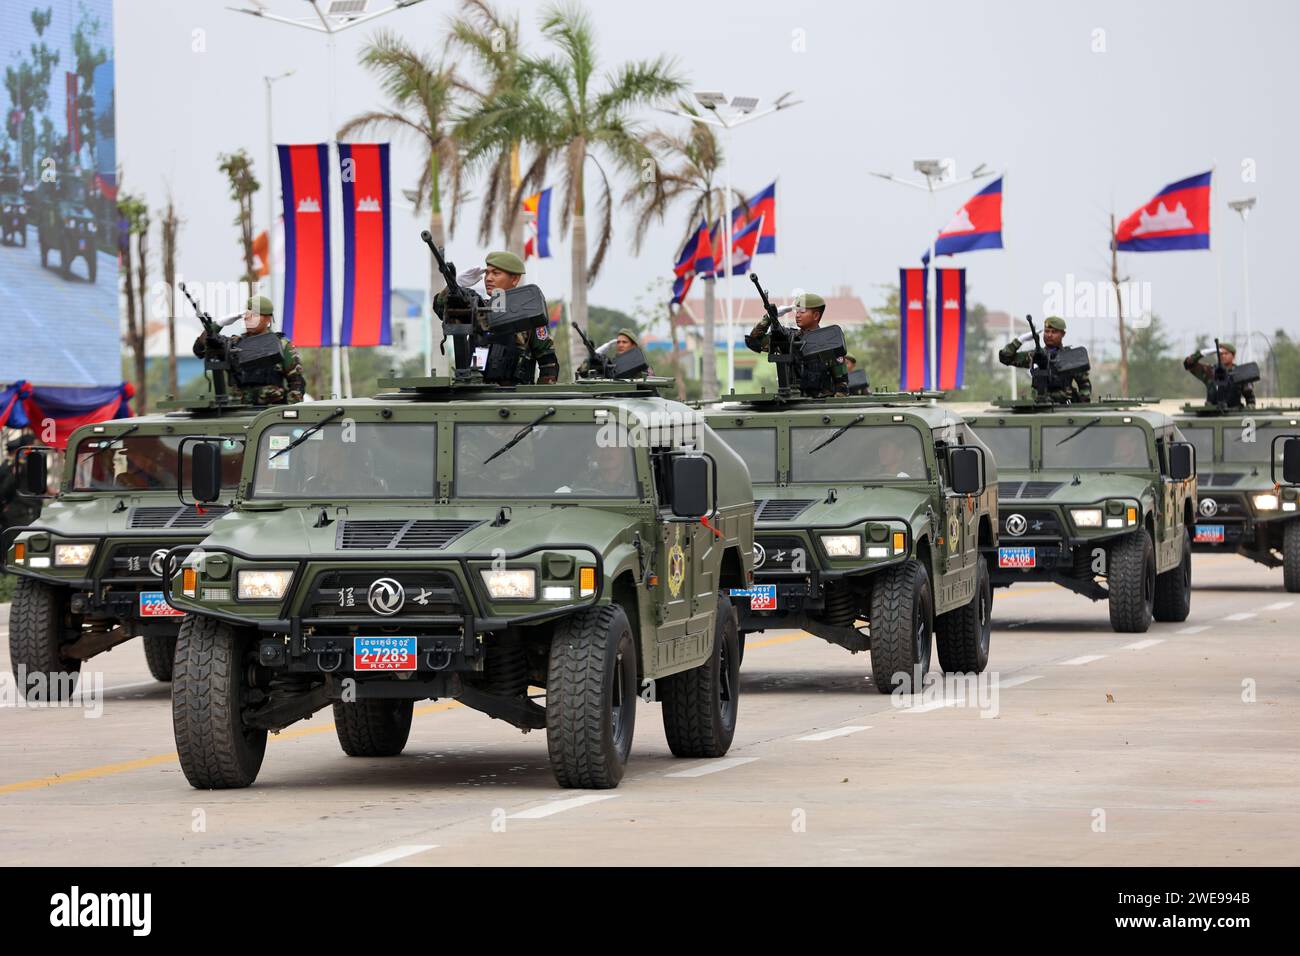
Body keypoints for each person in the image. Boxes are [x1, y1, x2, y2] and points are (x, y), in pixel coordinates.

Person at [435, 251, 559, 385]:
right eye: (487, 273)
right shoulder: (479, 309)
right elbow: (441, 308)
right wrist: (454, 286)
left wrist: (538, 400)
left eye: (496, 273)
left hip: (516, 397)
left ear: (514, 279)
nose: (488, 278)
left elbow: (548, 364)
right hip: (476, 393)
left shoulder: (530, 315)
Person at [193, 295, 305, 405]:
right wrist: (218, 324)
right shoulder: (234, 344)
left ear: (268, 318)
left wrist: (288, 414)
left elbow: (297, 383)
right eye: (246, 314)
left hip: (269, 413)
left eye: (254, 315)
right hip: (237, 413)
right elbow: (199, 349)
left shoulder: (282, 344)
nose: (247, 318)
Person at [745, 291, 848, 397]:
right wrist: (768, 318)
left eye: (802, 312)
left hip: (820, 405)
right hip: (790, 402)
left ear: (816, 315)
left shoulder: (829, 343)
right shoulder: (788, 339)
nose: (797, 315)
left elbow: (842, 384)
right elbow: (753, 341)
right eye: (796, 311)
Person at [999, 316, 1091, 404]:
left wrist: (1079, 407)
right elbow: (1005, 358)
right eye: (1047, 331)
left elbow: (1084, 386)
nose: (1049, 335)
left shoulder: (1071, 357)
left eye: (1054, 332)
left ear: (1063, 334)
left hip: (1064, 408)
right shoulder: (1035, 356)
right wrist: (1020, 340)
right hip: (1040, 406)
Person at [1184, 341, 1255, 408]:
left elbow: (1250, 398)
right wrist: (1206, 352)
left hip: (1233, 412)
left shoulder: (1241, 373)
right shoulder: (1210, 371)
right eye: (1220, 354)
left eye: (1226, 353)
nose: (1223, 356)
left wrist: (1250, 407)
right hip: (1212, 413)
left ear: (1233, 356)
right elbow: (1189, 364)